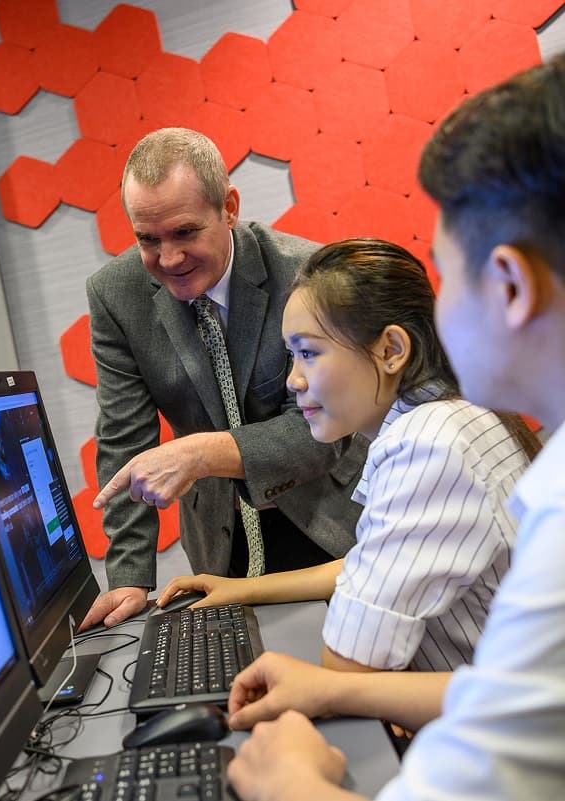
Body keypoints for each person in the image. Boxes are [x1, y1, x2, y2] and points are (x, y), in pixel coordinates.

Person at [226, 54, 565, 801]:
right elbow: (520, 692)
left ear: (510, 285)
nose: (294, 379)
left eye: (449, 275)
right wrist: (325, 681)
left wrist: (288, 782)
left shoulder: (426, 440)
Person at [159, 238, 538, 675]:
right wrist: (242, 590)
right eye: (291, 356)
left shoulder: (425, 448)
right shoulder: (455, 413)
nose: (293, 380)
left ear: (391, 350)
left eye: (308, 353)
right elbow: (368, 566)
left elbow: (347, 667)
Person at [80, 128, 368, 629]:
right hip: (220, 539)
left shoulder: (307, 274)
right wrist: (129, 575)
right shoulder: (116, 295)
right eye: (148, 239)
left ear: (229, 208)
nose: (169, 258)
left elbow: (324, 430)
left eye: (185, 232)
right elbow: (124, 439)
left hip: (330, 520)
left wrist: (200, 454)